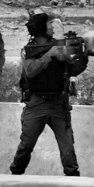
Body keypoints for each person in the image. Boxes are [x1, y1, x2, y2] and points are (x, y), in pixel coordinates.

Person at [9, 11, 87, 176]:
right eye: (49, 24)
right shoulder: (29, 50)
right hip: (37, 103)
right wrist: (49, 54)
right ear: (40, 28)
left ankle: (73, 178)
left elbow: (74, 69)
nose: (53, 27)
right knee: (26, 145)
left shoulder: (58, 46)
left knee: (67, 147)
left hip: (59, 103)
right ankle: (15, 175)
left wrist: (81, 55)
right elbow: (30, 71)